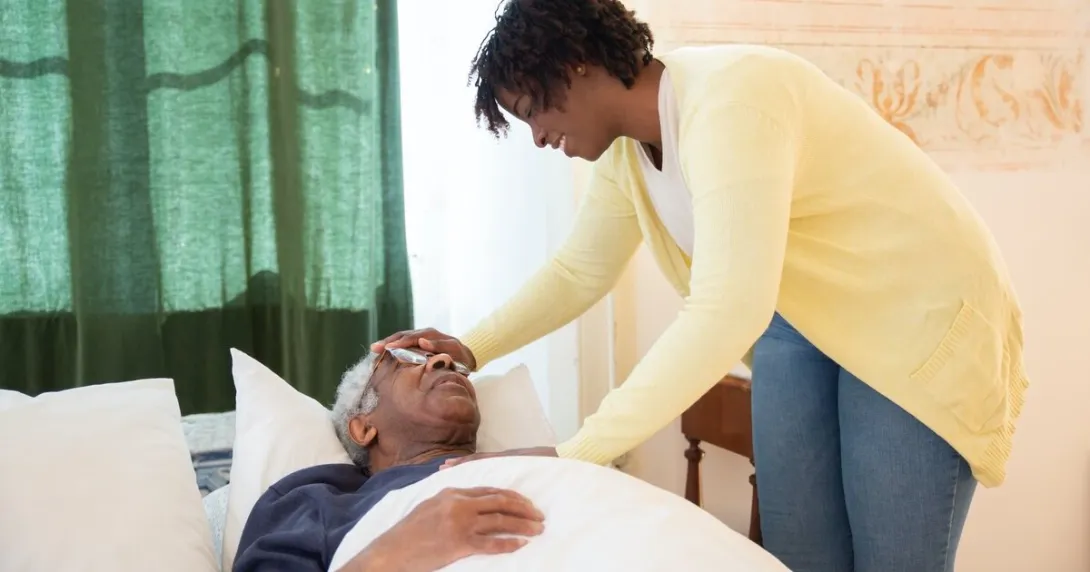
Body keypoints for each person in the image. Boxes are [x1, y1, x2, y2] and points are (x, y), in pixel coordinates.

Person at [371, 0, 1030, 571]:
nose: (540, 138)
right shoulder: (627, 151)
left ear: (574, 65)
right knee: (799, 558)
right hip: (800, 323)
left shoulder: (733, 99)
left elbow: (725, 311)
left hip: (917, 315)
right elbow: (579, 271)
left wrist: (578, 452)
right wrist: (470, 346)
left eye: (532, 112)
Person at [232, 347, 545, 572]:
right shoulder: (319, 502)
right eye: (405, 361)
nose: (444, 360)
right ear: (364, 426)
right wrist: (390, 556)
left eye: (455, 367)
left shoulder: (548, 461)